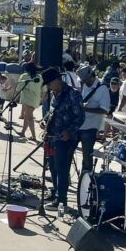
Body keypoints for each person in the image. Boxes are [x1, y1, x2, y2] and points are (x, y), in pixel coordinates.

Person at [42, 67, 85, 211]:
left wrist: (70, 131)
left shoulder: (73, 94)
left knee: (62, 168)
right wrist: (45, 120)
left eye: (50, 83)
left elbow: (80, 117)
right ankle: (57, 193)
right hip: (53, 136)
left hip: (66, 138)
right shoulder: (55, 94)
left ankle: (62, 200)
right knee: (53, 166)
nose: (49, 87)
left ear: (58, 80)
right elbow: (53, 112)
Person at [77, 65, 109, 176]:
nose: (84, 82)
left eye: (85, 80)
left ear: (91, 76)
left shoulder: (102, 89)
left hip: (90, 127)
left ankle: (86, 179)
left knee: (87, 156)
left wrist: (86, 109)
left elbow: (104, 110)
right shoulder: (85, 85)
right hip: (78, 124)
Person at [16, 63, 45, 141]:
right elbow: (44, 89)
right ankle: (23, 132)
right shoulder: (40, 77)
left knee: (29, 117)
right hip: (35, 99)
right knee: (27, 116)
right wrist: (42, 97)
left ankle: (34, 136)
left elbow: (18, 88)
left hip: (26, 99)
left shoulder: (24, 76)